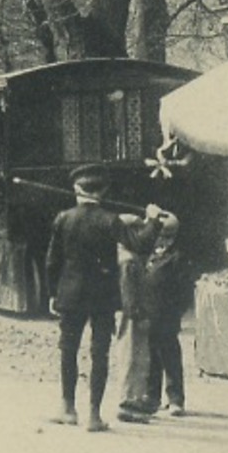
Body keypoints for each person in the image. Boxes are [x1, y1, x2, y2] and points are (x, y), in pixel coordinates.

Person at [43, 165, 158, 431]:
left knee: (68, 350)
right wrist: (153, 220)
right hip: (102, 297)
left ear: (76, 189)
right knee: (99, 353)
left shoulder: (63, 218)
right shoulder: (110, 220)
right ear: (103, 191)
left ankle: (68, 409)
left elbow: (52, 261)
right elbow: (140, 244)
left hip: (70, 295)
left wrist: (52, 293)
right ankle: (94, 415)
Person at [119, 210, 188, 422]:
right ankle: (152, 396)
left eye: (166, 236)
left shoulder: (176, 257)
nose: (161, 240)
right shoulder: (143, 253)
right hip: (145, 313)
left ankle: (175, 398)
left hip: (166, 314)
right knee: (150, 357)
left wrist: (176, 312)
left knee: (169, 354)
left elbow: (183, 290)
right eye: (160, 235)